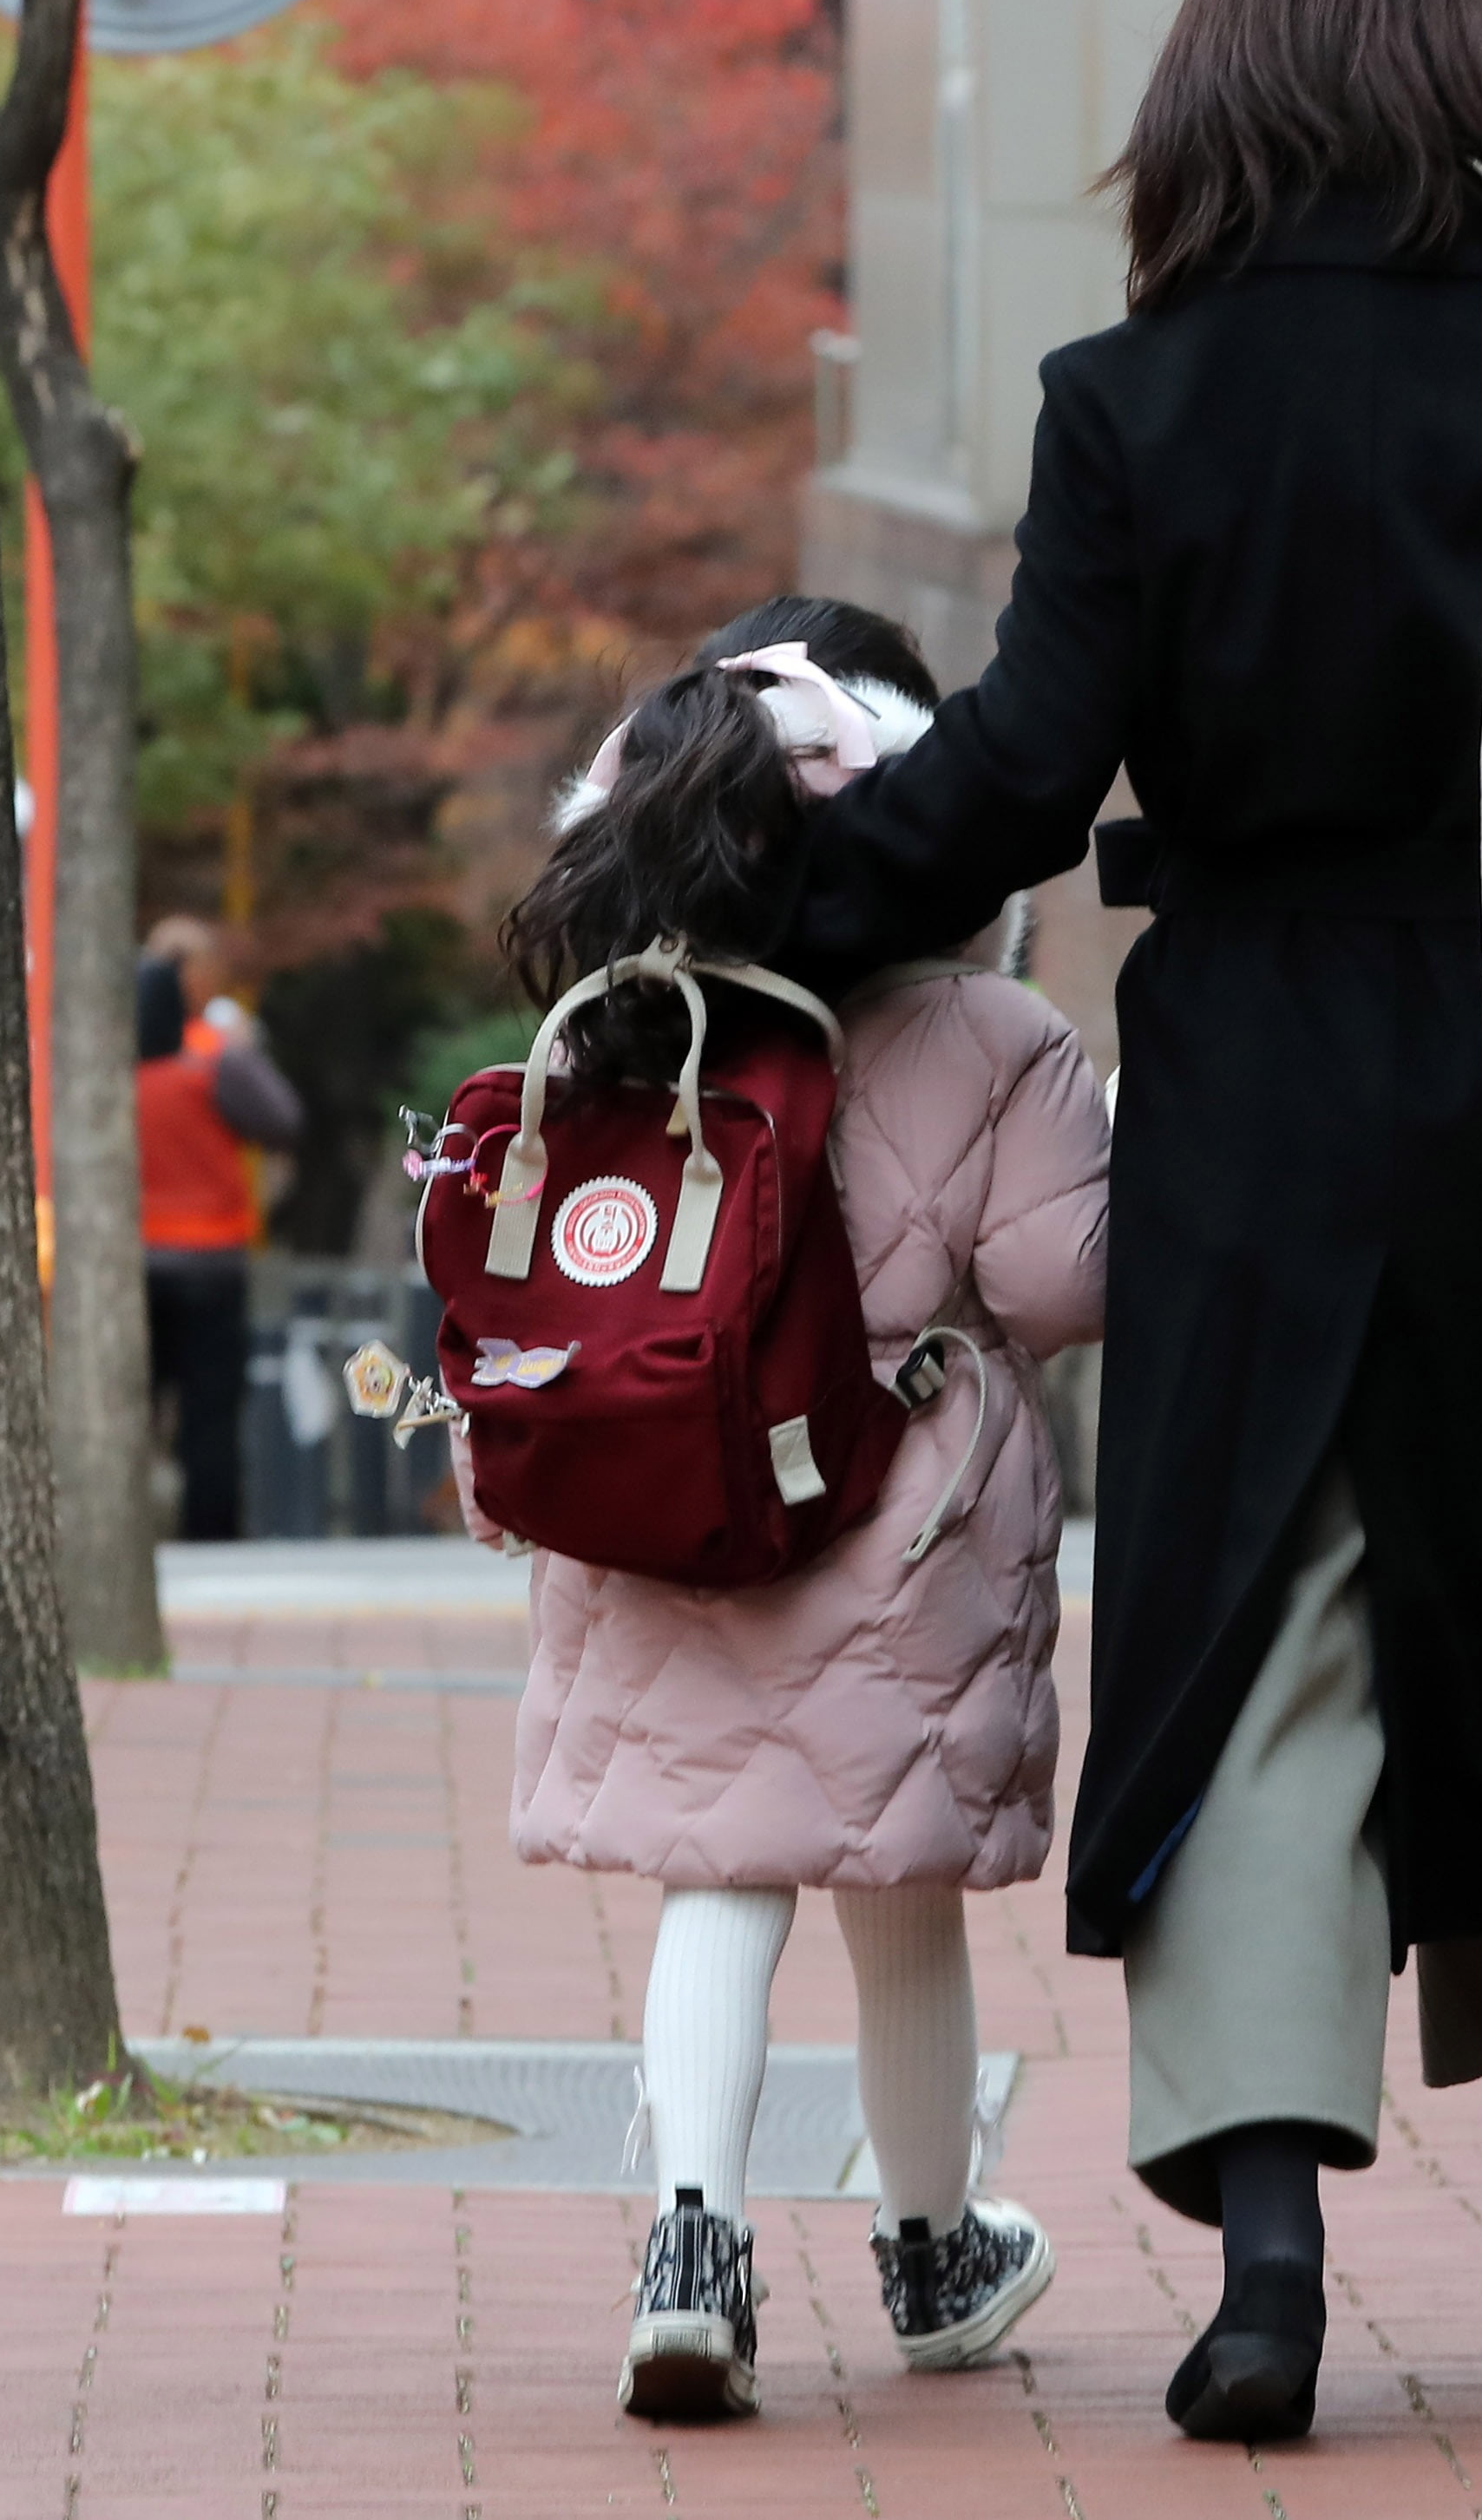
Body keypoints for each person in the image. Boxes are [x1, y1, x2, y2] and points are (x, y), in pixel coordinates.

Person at [771, 0, 1482, 2443]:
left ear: (1219, 78)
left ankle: (1269, 2234)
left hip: (1256, 1081)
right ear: (1480, 61)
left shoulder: (1132, 401)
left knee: (1270, 1611)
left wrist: (755, 901)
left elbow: (1018, 776)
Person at [471, 597, 1109, 2424]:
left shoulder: (619, 1025)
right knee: (895, 1885)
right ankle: (931, 2252)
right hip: (894, 1523)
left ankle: (689, 2246)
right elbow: (1062, 1287)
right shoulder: (995, 1033)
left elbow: (540, 1274)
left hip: (665, 1499)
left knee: (720, 1871)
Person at [136, 918, 300, 1541]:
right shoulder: (213, 1055)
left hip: (131, 1264)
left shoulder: (103, 1056)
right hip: (210, 1260)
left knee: (132, 1406)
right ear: (196, 977)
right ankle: (210, 1535)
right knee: (209, 1415)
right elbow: (282, 1120)